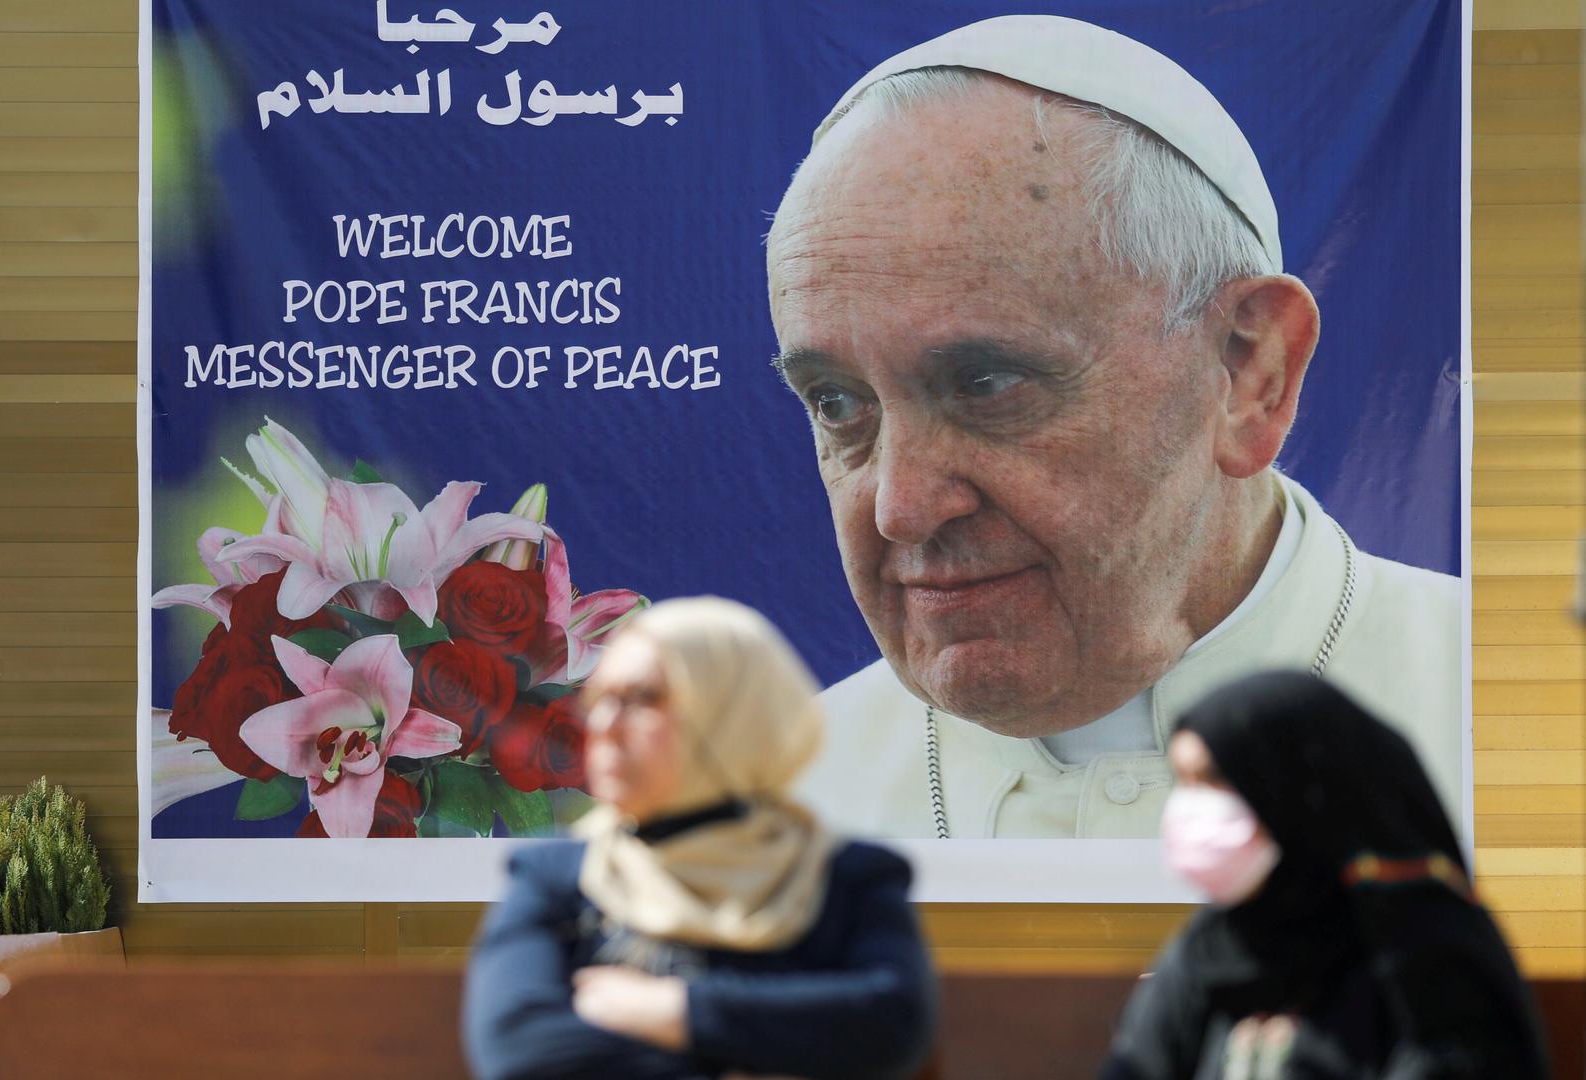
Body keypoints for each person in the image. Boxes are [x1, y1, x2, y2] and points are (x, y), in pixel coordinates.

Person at [770, 14, 1462, 839]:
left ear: (1248, 371)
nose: (901, 509)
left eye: (986, 384)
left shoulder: (1529, 725)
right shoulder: (783, 810)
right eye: (837, 404)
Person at [461, 596, 936, 1080]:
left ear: (732, 713)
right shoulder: (558, 877)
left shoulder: (843, 877)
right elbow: (520, 1045)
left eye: (641, 698)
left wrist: (674, 1009)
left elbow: (889, 1023)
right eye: (599, 699)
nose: (605, 726)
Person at [1102, 672, 1546, 1079]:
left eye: (1215, 779)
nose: (1193, 808)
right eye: (1184, 781)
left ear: (1296, 787)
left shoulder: (1431, 959)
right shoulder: (1207, 952)